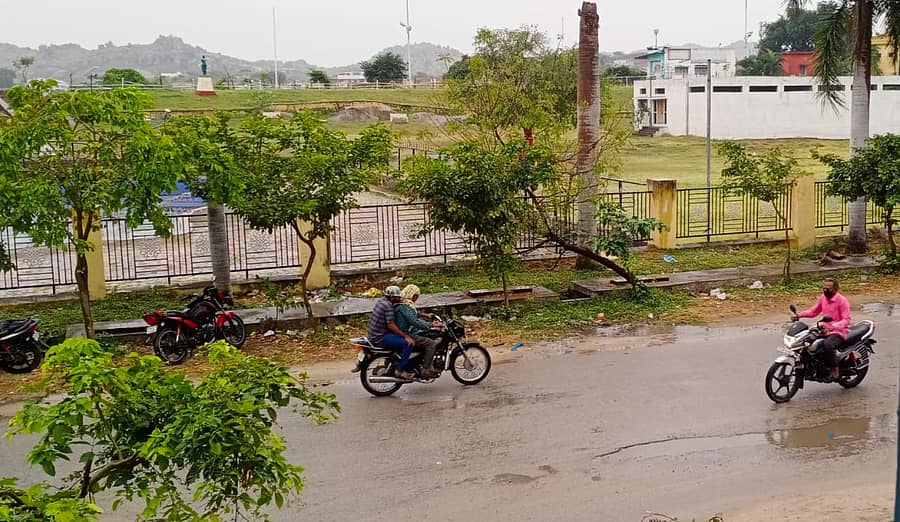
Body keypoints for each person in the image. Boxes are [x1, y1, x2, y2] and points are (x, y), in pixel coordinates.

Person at [792, 278, 851, 380]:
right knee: (807, 341)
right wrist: (799, 315)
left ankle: (833, 368)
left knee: (827, 344)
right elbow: (813, 311)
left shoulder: (842, 301)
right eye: (824, 288)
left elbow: (847, 320)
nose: (825, 291)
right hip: (823, 329)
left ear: (835, 289)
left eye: (828, 289)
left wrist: (834, 326)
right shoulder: (823, 298)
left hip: (838, 331)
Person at [367, 285, 416, 380]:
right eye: (398, 297)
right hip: (381, 337)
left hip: (373, 334)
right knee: (409, 344)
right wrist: (405, 336)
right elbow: (391, 325)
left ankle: (397, 361)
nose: (400, 298)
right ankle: (400, 370)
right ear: (392, 297)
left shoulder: (382, 301)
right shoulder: (388, 306)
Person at [395, 285, 442, 378]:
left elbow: (414, 314)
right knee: (431, 344)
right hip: (407, 333)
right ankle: (425, 370)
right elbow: (414, 321)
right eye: (416, 295)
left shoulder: (405, 304)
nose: (417, 298)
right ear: (412, 295)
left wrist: (426, 315)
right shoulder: (405, 306)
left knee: (427, 336)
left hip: (407, 331)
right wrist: (432, 325)